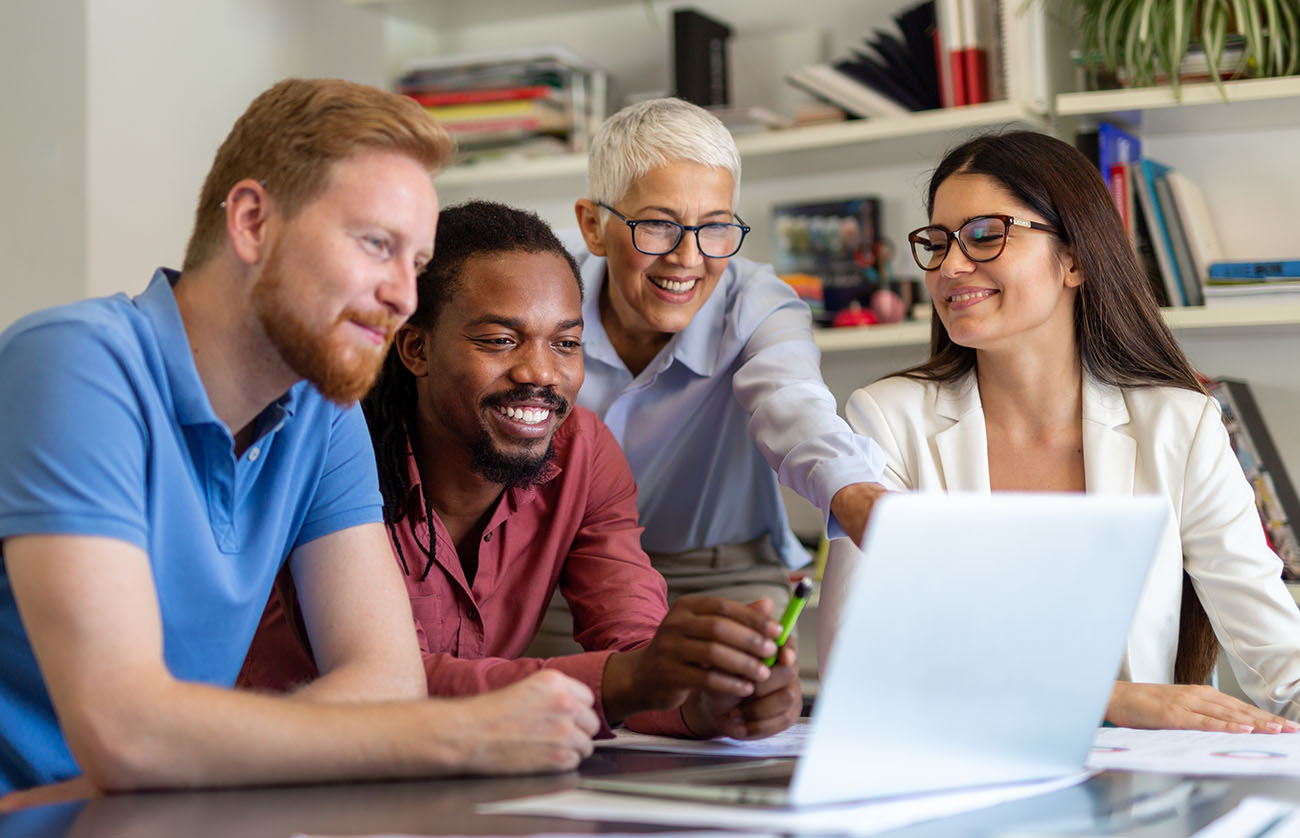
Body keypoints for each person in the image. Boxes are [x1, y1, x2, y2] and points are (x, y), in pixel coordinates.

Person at [0, 78, 601, 800]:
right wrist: (466, 735)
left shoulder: (323, 412)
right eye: (377, 244)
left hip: (159, 817)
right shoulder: (73, 362)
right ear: (252, 222)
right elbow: (125, 731)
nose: (404, 298)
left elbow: (386, 682)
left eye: (414, 265)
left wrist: (172, 756)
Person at [240, 200, 802, 742]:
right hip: (280, 778)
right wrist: (630, 680)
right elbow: (388, 682)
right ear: (416, 349)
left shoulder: (582, 454)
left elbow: (634, 644)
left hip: (460, 771)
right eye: (500, 340)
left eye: (566, 343)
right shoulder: (337, 451)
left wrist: (700, 698)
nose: (540, 372)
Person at [818, 129, 1300, 731]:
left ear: (1074, 258)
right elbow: (857, 660)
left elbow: (1284, 665)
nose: (950, 265)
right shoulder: (887, 419)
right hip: (958, 767)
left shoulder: (1182, 425)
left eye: (986, 235)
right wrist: (1109, 700)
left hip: (1141, 791)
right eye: (936, 243)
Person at [529, 98, 888, 655]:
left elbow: (792, 402)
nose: (688, 257)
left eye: (715, 228)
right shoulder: (538, 287)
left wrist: (857, 493)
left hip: (722, 576)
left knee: (743, 722)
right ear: (593, 227)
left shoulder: (758, 303)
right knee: (554, 724)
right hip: (558, 578)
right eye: (657, 225)